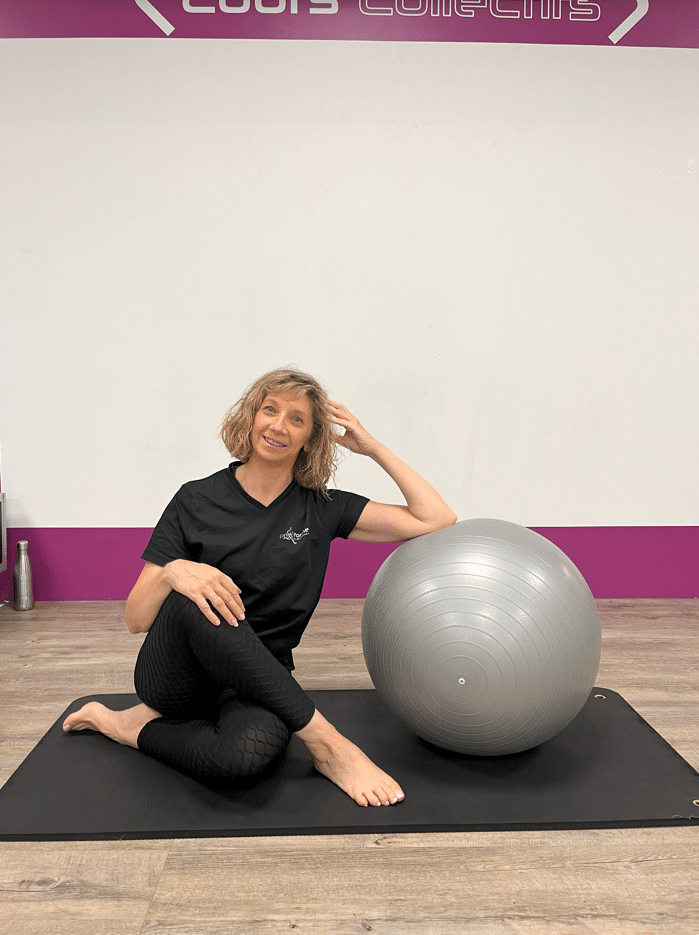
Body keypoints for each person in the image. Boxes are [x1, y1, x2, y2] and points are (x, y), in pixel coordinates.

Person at [64, 368, 457, 807]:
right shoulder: (195, 499)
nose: (278, 425)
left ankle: (125, 726)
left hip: (259, 680)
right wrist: (175, 571)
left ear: (310, 438)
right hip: (177, 678)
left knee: (243, 760)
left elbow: (434, 518)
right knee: (202, 592)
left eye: (296, 419)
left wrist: (373, 448)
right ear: (251, 417)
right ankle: (330, 745)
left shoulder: (322, 507)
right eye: (270, 410)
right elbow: (136, 620)